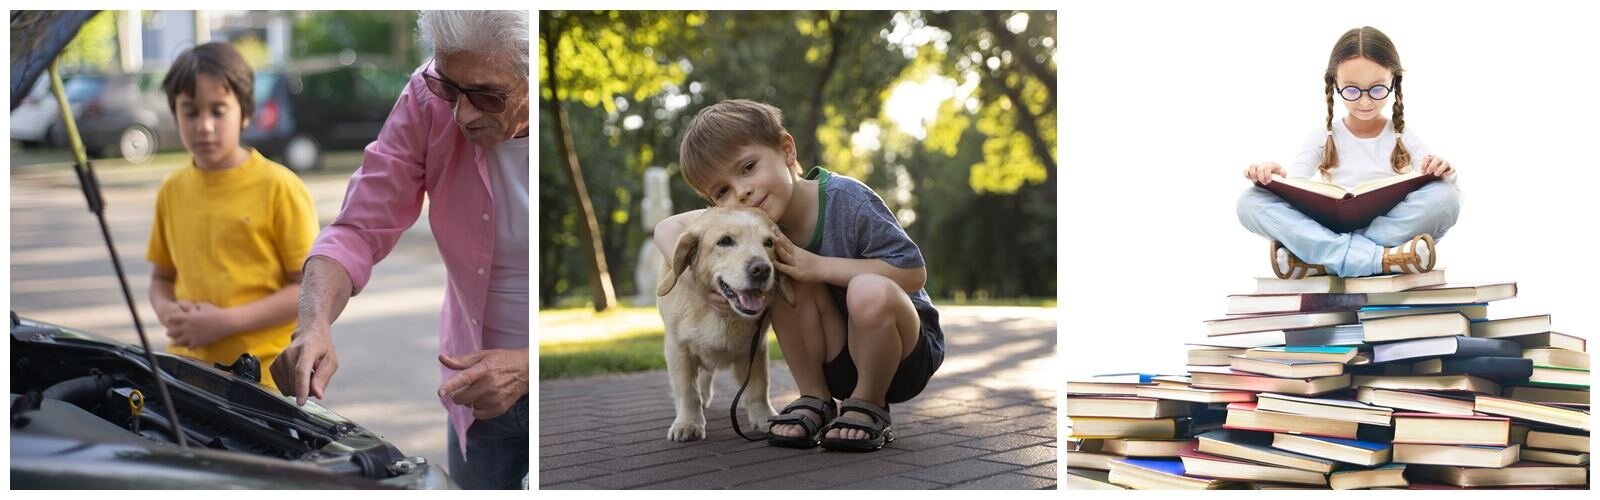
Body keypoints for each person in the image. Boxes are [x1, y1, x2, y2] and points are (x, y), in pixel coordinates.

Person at [268, 11, 529, 489]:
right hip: (475, 392)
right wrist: (313, 323)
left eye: (487, 96)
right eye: (450, 87)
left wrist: (528, 365)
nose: (462, 114)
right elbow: (358, 227)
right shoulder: (424, 97)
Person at [654, 99, 943, 452]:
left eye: (747, 168)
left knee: (866, 289)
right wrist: (693, 283)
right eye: (722, 191)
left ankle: (869, 404)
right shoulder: (752, 223)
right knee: (782, 276)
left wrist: (818, 266)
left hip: (903, 355)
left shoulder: (847, 199)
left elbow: (913, 272)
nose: (740, 191)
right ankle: (815, 398)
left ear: (787, 150)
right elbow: (667, 228)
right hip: (836, 358)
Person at [146, 42, 318, 391]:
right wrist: (169, 314)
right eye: (190, 112)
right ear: (174, 113)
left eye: (218, 110)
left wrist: (224, 323)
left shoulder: (279, 186)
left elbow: (306, 290)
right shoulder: (172, 189)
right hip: (186, 373)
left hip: (265, 382)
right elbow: (161, 279)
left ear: (245, 112)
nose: (204, 126)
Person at [1238, 26, 1461, 279]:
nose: (1365, 102)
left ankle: (1322, 257)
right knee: (1249, 201)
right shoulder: (1323, 136)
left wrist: (1443, 170)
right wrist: (1275, 178)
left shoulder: (1404, 136)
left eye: (1377, 89)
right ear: (1335, 84)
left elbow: (1440, 193)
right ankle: (1381, 258)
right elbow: (1296, 188)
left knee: (1447, 196)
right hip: (1331, 226)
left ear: (1394, 82)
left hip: (1384, 228)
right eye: (1352, 90)